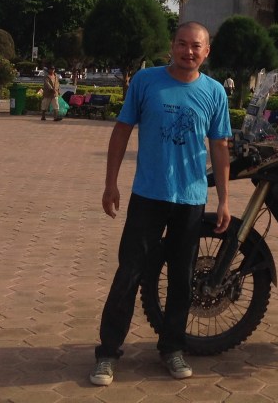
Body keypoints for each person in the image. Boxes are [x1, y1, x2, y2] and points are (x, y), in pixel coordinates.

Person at [90, 22, 232, 387]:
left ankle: (172, 347)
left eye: (195, 46)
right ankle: (107, 354)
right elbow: (121, 130)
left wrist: (225, 199)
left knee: (182, 279)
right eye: (182, 44)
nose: (188, 51)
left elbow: (219, 146)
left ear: (206, 51)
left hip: (190, 199)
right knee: (130, 273)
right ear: (172, 45)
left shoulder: (215, 93)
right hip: (148, 195)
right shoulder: (146, 82)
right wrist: (110, 184)